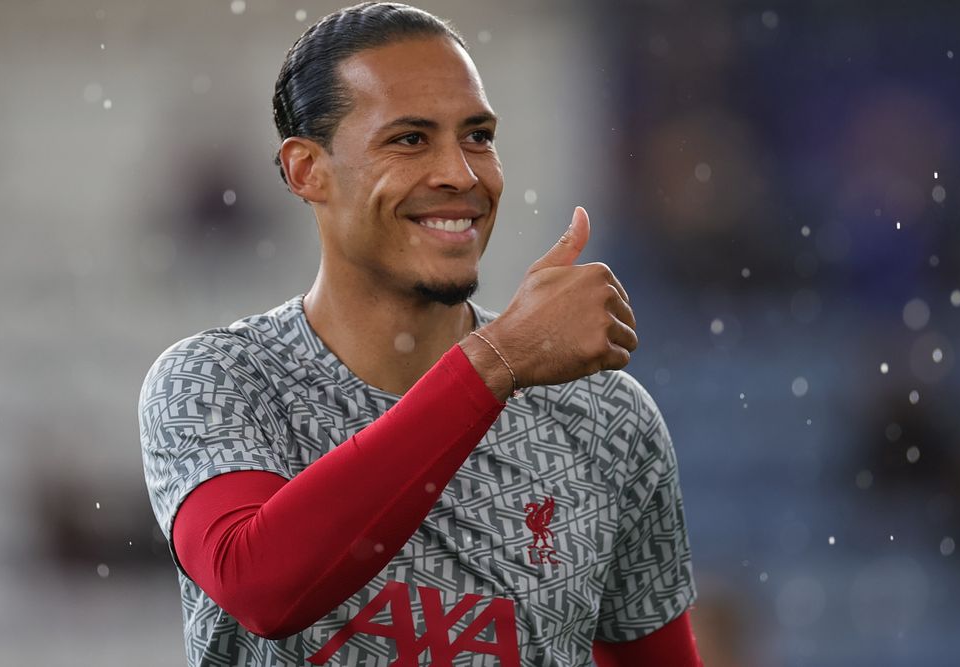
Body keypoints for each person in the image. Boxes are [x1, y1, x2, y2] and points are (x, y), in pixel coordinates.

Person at [138, 3, 702, 665]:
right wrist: (496, 363)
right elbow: (263, 585)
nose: (462, 174)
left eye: (478, 136)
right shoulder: (219, 380)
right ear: (305, 170)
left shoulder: (606, 417)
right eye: (410, 139)